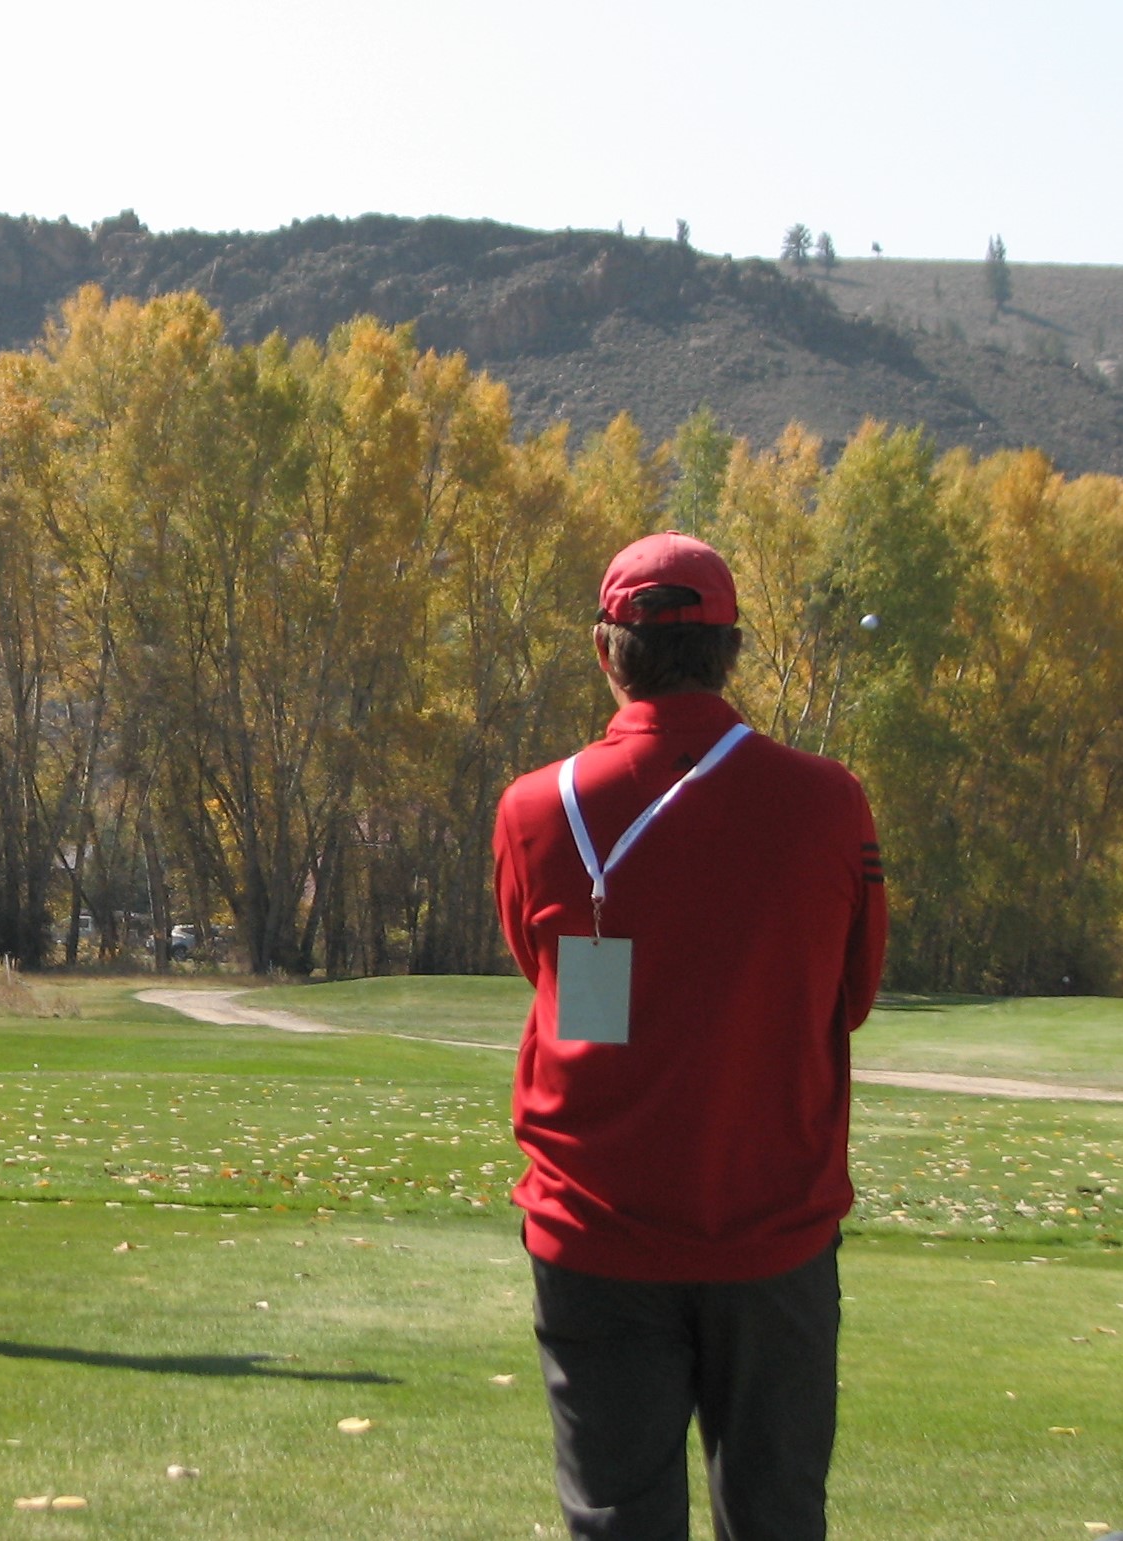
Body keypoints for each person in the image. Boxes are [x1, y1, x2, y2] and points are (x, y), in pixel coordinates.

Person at [491, 532, 887, 1540]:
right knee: (778, 1516)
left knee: (617, 1519)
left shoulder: (537, 809)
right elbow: (851, 994)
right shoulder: (827, 801)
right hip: (773, 1226)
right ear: (734, 648)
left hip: (595, 1224)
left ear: (604, 650)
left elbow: (545, 974)